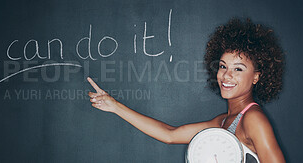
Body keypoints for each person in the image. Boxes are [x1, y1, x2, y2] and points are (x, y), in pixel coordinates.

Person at [87, 18, 286, 162]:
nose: (226, 75)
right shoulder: (224, 121)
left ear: (257, 76)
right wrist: (114, 106)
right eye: (223, 66)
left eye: (238, 69)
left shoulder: (253, 119)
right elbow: (170, 135)